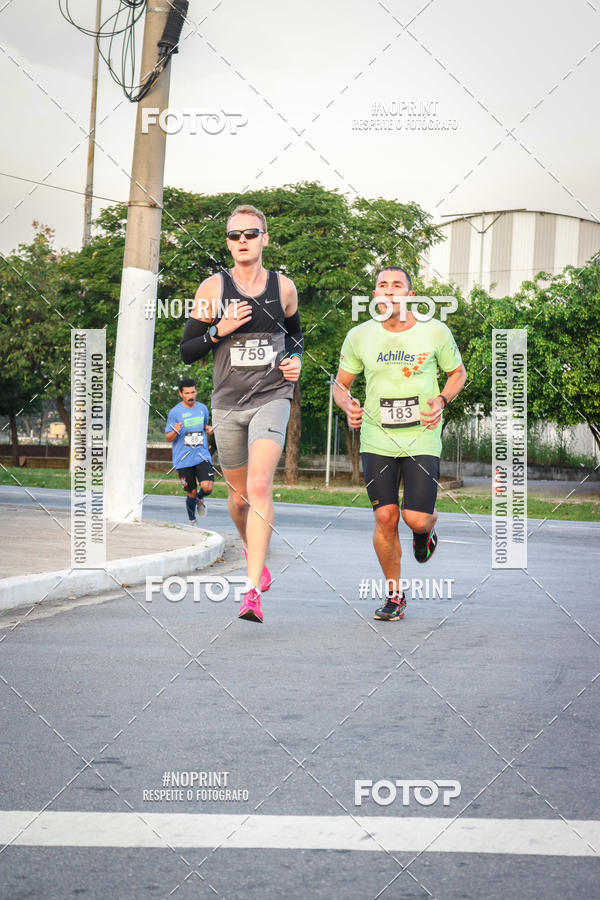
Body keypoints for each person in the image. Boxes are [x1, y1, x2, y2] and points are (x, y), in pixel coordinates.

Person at [180, 204, 303, 623]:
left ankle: (251, 591)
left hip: (272, 395)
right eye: (235, 236)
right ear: (228, 243)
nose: (242, 241)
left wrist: (296, 360)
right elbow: (188, 351)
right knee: (237, 500)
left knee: (259, 485)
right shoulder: (212, 290)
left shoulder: (283, 288)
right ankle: (254, 553)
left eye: (251, 234)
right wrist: (220, 329)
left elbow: (295, 336)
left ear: (265, 238)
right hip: (228, 403)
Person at [333, 266, 466, 621]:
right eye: (382, 286)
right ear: (375, 295)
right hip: (377, 439)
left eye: (397, 286)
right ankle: (395, 596)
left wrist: (442, 400)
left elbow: (458, 373)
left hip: (422, 436)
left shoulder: (435, 331)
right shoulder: (359, 336)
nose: (389, 291)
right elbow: (341, 384)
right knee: (386, 517)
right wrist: (348, 406)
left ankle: (427, 531)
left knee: (415, 519)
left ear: (410, 295)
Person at [165, 378, 214, 525]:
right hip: (183, 458)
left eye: (193, 392)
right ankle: (192, 521)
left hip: (201, 455)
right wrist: (175, 431)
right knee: (190, 492)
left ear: (196, 391)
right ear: (181, 394)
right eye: (187, 393)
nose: (190, 396)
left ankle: (200, 498)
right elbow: (168, 437)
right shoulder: (174, 412)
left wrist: (208, 429)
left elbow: (204, 425)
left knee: (208, 487)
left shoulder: (202, 408)